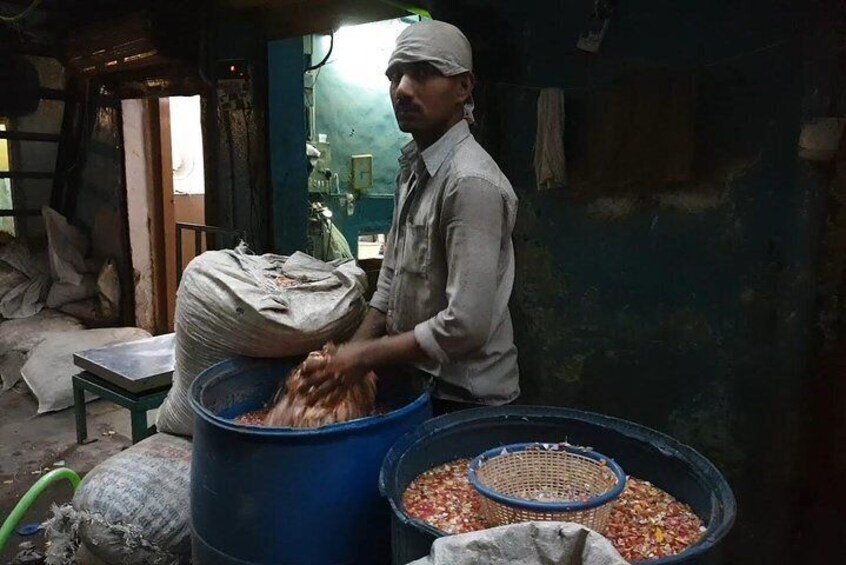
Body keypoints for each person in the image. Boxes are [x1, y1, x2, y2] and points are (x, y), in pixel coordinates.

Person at [301, 20, 519, 415]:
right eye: (395, 76)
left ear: (463, 88)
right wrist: (348, 357)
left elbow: (466, 327)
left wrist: (363, 358)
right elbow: (390, 282)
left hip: (466, 400)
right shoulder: (412, 170)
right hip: (421, 386)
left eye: (422, 73)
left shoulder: (469, 182)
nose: (401, 89)